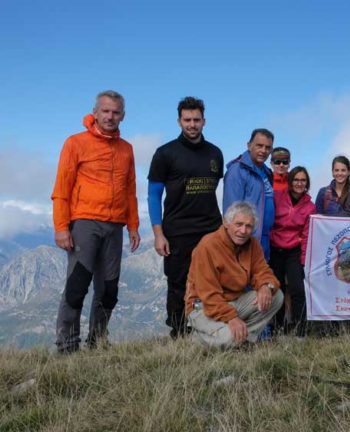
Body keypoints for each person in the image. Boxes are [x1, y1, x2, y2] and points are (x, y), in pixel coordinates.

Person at [51, 90, 140, 353]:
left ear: (123, 116)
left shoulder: (126, 149)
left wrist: (133, 225)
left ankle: (97, 341)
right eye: (105, 111)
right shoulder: (75, 143)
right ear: (95, 112)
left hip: (115, 226)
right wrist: (61, 227)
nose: (110, 116)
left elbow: (130, 190)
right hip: (84, 222)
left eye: (115, 112)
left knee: (109, 289)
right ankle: (67, 346)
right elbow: (62, 188)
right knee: (77, 285)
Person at [148, 96, 224, 339]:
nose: (192, 124)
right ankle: (179, 332)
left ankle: (212, 329)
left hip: (211, 229)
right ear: (179, 121)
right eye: (187, 120)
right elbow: (153, 195)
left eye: (196, 120)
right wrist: (158, 234)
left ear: (204, 121)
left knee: (213, 280)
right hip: (178, 230)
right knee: (178, 283)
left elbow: (213, 189)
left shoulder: (215, 153)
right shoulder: (165, 153)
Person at [185, 201, 283, 348]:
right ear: (226, 223)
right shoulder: (207, 246)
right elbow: (208, 294)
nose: (243, 231)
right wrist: (231, 318)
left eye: (248, 226)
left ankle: (244, 338)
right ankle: (198, 337)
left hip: (234, 302)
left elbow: (262, 270)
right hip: (203, 306)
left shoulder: (252, 244)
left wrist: (266, 286)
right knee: (230, 338)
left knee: (276, 296)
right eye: (239, 224)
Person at [270, 167, 316, 336]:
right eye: (296, 179)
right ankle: (277, 327)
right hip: (275, 248)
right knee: (277, 288)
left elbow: (307, 235)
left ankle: (300, 329)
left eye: (303, 180)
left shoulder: (310, 206)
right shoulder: (277, 197)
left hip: (294, 251)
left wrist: (303, 260)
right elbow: (269, 220)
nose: (299, 183)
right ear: (290, 181)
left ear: (307, 183)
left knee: (297, 289)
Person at [223, 128, 276, 260]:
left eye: (267, 147)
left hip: (264, 240)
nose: (263, 150)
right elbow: (231, 211)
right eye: (259, 145)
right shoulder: (237, 171)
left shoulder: (266, 172)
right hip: (245, 242)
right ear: (249, 145)